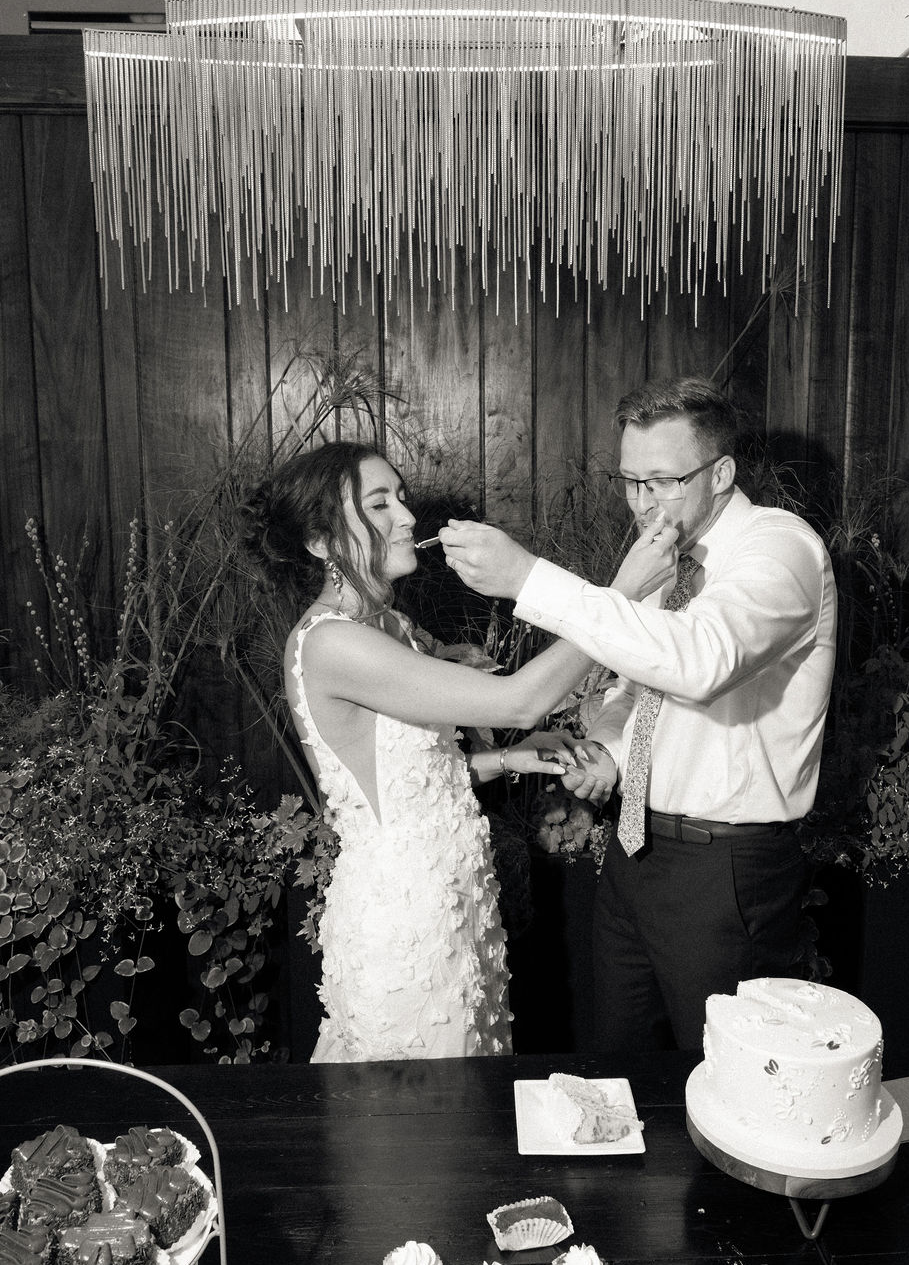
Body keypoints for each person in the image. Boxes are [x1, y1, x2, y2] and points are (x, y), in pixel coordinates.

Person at [241, 439, 673, 1063]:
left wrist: (509, 758)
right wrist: (619, 597)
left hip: (457, 900)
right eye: (379, 503)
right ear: (319, 540)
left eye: (402, 498)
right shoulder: (332, 643)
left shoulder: (390, 628)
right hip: (404, 919)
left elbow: (414, 775)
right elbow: (519, 700)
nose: (408, 517)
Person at [441, 379, 838, 1052]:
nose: (641, 501)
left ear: (721, 473)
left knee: (725, 1082)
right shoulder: (665, 553)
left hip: (725, 869)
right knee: (616, 1069)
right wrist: (606, 752)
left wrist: (528, 578)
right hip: (633, 850)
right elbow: (637, 688)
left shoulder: (780, 550)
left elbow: (699, 661)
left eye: (662, 480)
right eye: (629, 481)